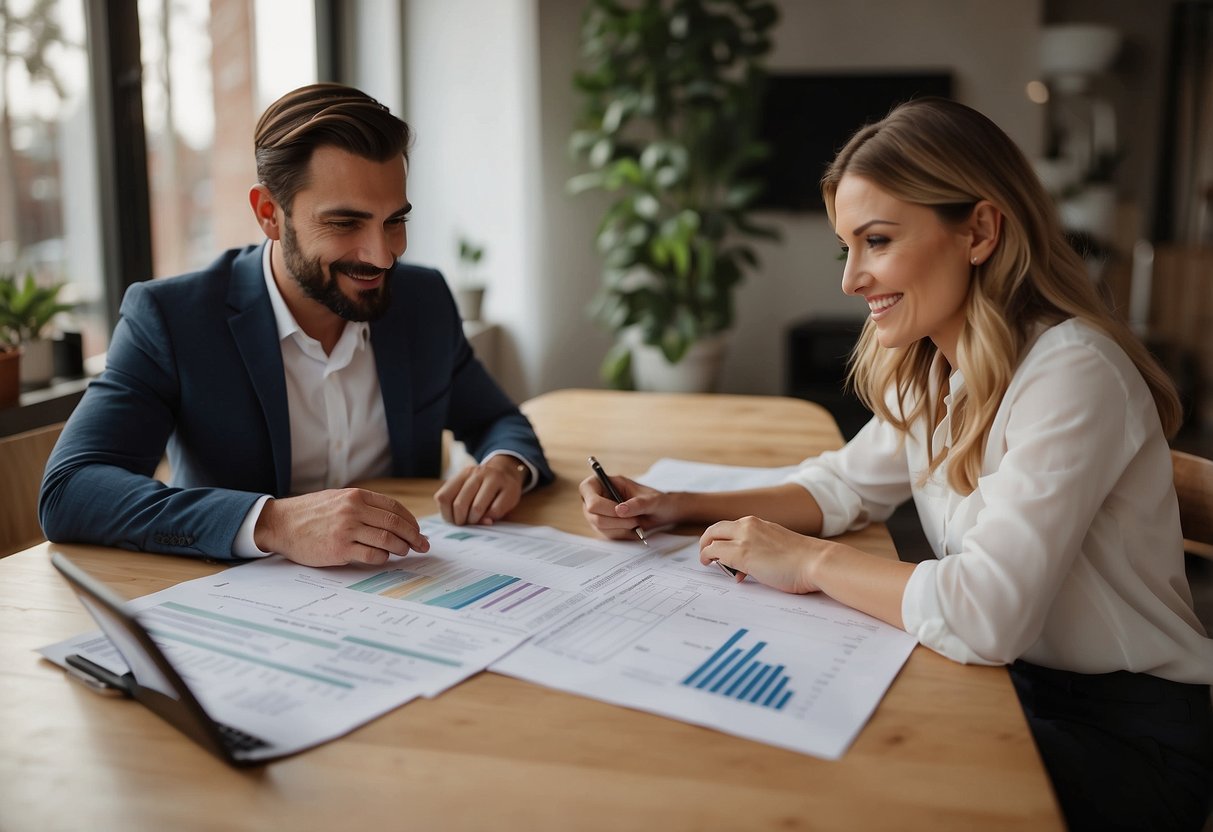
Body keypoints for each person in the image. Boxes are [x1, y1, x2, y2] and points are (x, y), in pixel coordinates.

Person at [580, 98, 1213, 830]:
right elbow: (845, 485)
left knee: (829, 785)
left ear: (978, 230)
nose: (851, 280)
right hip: (1007, 684)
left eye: (875, 241)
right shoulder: (936, 364)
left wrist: (811, 564)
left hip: (1125, 738)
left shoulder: (1071, 373)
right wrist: (676, 506)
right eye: (845, 247)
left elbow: (987, 612)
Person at [40, 83, 552, 568]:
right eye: (345, 223)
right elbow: (71, 490)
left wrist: (505, 465)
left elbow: (496, 420)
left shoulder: (423, 300)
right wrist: (272, 522)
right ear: (269, 214)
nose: (382, 256)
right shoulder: (172, 319)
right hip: (238, 607)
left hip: (408, 587)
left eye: (395, 220)